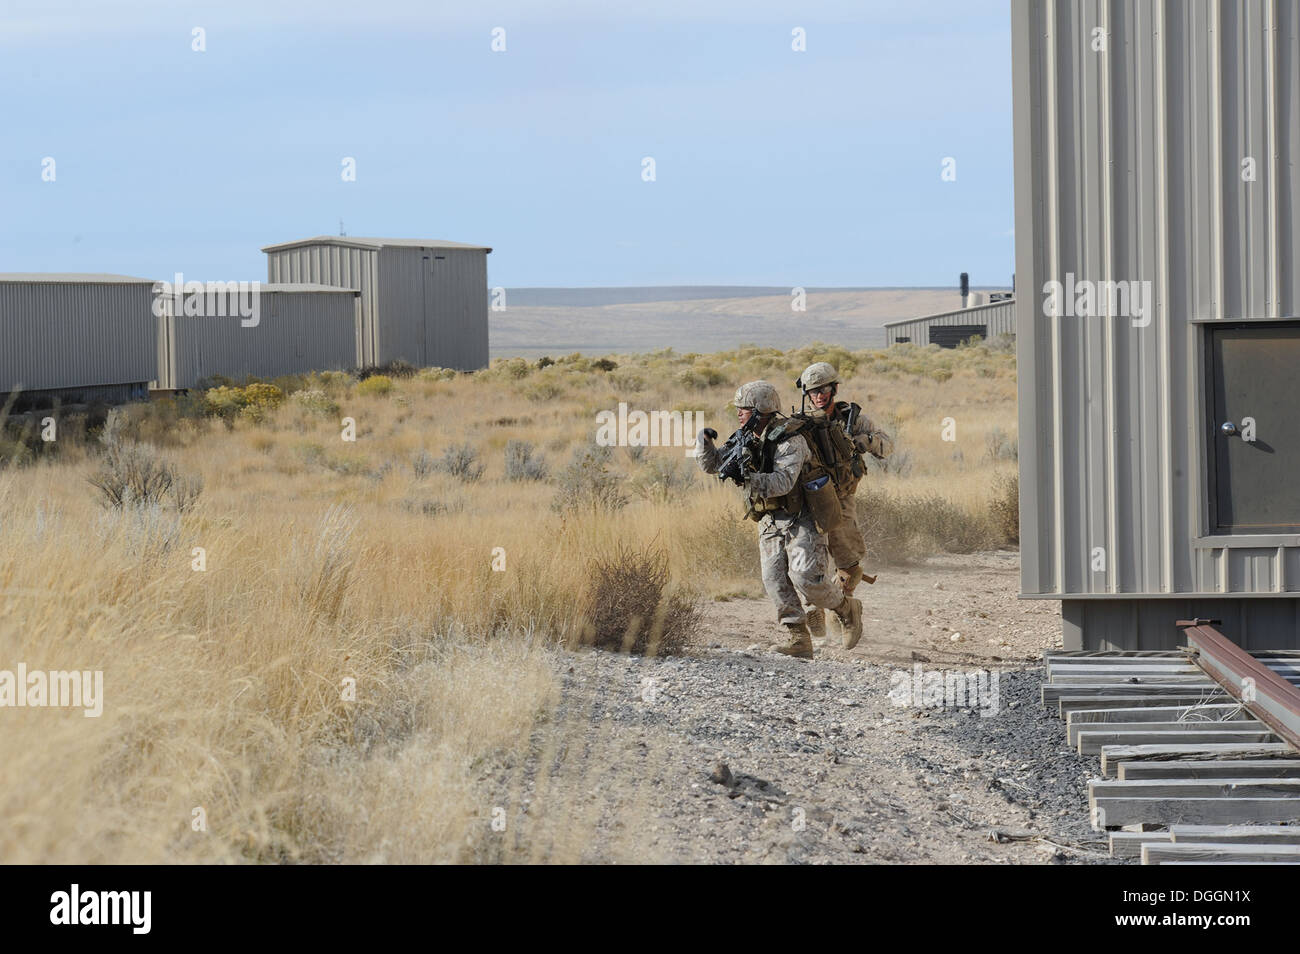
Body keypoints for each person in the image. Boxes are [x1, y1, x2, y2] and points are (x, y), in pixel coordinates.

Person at [696, 380, 863, 659]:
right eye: (738, 409)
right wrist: (703, 442)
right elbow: (713, 465)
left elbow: (783, 482)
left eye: (745, 409)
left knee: (806, 579)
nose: (739, 414)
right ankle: (799, 639)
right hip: (771, 519)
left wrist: (747, 478)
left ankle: (847, 609)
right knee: (774, 579)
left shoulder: (790, 439)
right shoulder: (745, 437)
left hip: (804, 517)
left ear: (762, 409)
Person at [795, 362, 893, 608]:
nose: (818, 396)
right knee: (807, 563)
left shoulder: (853, 418)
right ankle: (816, 609)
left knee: (848, 564)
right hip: (811, 499)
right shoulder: (800, 424)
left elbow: (887, 446)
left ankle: (844, 610)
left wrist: (866, 441)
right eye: (813, 391)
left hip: (842, 497)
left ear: (834, 390)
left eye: (824, 390)